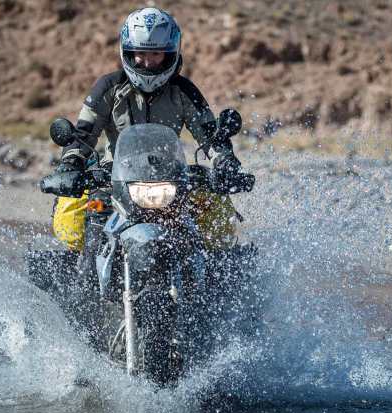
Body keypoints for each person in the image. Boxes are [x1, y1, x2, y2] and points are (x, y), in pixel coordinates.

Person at [52, 6, 250, 254]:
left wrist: (225, 162)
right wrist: (71, 163)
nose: (147, 62)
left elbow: (209, 134)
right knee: (75, 224)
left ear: (170, 54)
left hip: (172, 178)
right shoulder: (108, 87)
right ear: (128, 52)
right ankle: (84, 288)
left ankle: (218, 279)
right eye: (140, 54)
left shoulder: (184, 91)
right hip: (114, 179)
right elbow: (83, 133)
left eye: (156, 54)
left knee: (221, 224)